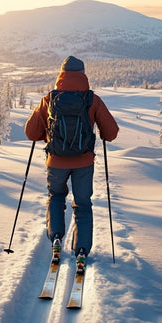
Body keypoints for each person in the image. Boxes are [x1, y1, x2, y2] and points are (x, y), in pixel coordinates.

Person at [25, 55, 119, 268]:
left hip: (55, 162)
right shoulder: (91, 99)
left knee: (56, 197)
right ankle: (82, 249)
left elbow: (31, 132)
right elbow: (111, 133)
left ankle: (56, 238)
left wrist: (48, 136)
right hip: (84, 163)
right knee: (83, 204)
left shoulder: (49, 99)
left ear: (62, 74)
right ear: (83, 74)